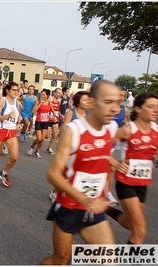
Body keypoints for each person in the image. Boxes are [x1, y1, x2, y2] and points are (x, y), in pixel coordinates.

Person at [40, 80, 121, 265]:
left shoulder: (112, 128)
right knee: (61, 260)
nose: (115, 109)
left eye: (118, 103)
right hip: (69, 207)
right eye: (108, 102)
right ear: (92, 102)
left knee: (109, 262)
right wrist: (84, 198)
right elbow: (53, 174)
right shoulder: (74, 131)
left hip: (95, 209)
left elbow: (99, 151)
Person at [106, 92, 158, 245]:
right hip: (126, 182)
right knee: (140, 229)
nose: (155, 110)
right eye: (151, 107)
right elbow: (101, 145)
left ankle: (104, 208)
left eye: (157, 107)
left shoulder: (156, 129)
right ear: (138, 108)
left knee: (130, 223)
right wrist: (116, 164)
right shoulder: (128, 129)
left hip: (143, 184)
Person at [49, 91, 90, 203]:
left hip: (82, 148)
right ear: (78, 101)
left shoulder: (89, 114)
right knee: (65, 171)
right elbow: (63, 129)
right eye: (85, 100)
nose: (87, 102)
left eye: (88, 100)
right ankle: (56, 191)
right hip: (70, 146)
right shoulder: (72, 113)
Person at [0, 82, 21, 187]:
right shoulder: (2, 101)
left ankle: (4, 172)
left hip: (11, 131)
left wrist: (19, 123)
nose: (16, 92)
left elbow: (17, 114)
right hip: (0, 130)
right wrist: (6, 116)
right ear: (7, 90)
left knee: (14, 157)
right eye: (14, 90)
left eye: (17, 90)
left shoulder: (17, 102)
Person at [105, 87, 130, 207]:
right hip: (101, 142)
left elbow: (124, 125)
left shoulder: (124, 110)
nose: (121, 97)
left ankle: (107, 193)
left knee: (110, 170)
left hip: (113, 143)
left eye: (123, 95)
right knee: (111, 167)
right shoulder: (108, 108)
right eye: (119, 95)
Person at [27, 89, 57, 159]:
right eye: (41, 94)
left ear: (47, 96)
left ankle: (37, 152)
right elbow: (34, 111)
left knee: (43, 139)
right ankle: (32, 146)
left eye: (44, 94)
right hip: (39, 122)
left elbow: (53, 110)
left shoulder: (50, 103)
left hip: (46, 122)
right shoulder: (38, 102)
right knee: (39, 139)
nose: (42, 96)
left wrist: (54, 116)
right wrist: (40, 104)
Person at [45, 88, 62, 154]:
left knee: (55, 134)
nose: (59, 94)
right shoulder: (50, 99)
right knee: (47, 136)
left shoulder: (60, 100)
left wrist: (60, 114)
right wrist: (49, 115)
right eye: (58, 93)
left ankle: (49, 148)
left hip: (55, 119)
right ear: (54, 93)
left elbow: (57, 109)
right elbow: (46, 108)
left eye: (60, 93)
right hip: (48, 119)